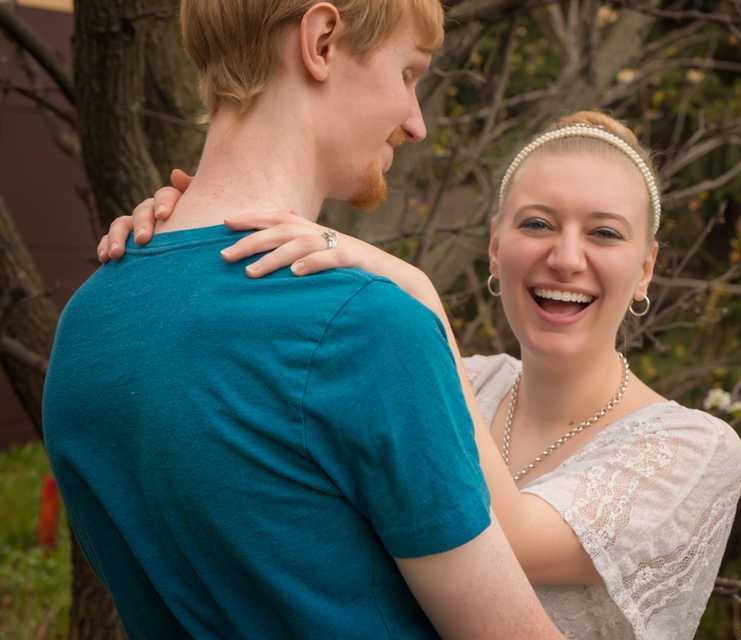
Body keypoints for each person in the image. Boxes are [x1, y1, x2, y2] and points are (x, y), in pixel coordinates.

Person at [105, 109, 741, 638]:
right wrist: (189, 235)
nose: (566, 257)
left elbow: (511, 535)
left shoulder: (696, 449)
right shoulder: (463, 379)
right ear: (496, 247)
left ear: (646, 268)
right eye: (537, 224)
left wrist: (419, 293)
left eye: (605, 233)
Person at [42, 2, 563, 639]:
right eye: (408, 73)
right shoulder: (365, 330)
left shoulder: (87, 322)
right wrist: (418, 301)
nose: (416, 123)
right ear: (320, 41)